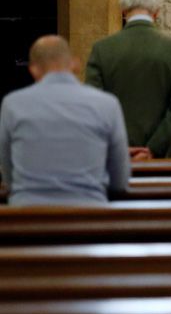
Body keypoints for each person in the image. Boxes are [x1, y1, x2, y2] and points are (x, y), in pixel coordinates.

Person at [0, 36, 131, 206]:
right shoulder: (107, 104)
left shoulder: (12, 104)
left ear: (33, 69)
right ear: (74, 64)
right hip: (89, 215)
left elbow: (7, 172)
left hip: (29, 215)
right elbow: (120, 180)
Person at [86, 0, 171, 159]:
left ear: (123, 10)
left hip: (115, 156)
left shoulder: (102, 49)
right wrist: (151, 149)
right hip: (163, 156)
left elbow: (93, 105)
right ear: (157, 11)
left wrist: (121, 146)